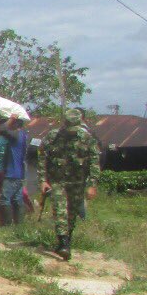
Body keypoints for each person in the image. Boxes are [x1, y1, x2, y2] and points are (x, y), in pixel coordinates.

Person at [40, 108, 100, 261]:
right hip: (58, 180)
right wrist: (43, 180)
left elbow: (94, 162)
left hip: (77, 181)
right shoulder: (53, 136)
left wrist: (92, 184)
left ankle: (67, 239)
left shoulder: (87, 137)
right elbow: (42, 158)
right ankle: (63, 243)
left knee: (72, 213)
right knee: (60, 210)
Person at [0, 115, 30, 226]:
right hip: (19, 173)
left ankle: (6, 225)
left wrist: (10, 119)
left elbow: (2, 129)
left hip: (12, 173)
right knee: (17, 199)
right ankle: (19, 225)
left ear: (16, 124)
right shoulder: (24, 135)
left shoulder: (15, 135)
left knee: (4, 199)